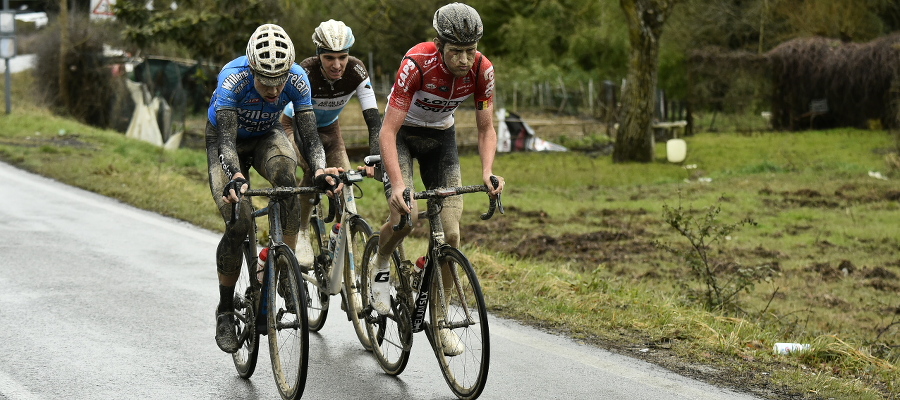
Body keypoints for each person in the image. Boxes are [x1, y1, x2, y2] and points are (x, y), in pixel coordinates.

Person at [368, 3, 505, 355]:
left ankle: (440, 319)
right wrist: (399, 185)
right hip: (402, 137)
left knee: (452, 232)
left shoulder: (482, 70)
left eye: (470, 51)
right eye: (456, 51)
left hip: (441, 140)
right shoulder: (416, 64)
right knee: (407, 218)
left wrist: (487, 171)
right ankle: (380, 262)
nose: (464, 59)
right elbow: (387, 132)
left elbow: (486, 128)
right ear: (440, 44)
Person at [206, 23, 342, 353]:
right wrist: (235, 177)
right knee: (239, 221)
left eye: (278, 80)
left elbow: (310, 136)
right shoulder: (232, 79)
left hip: (268, 135)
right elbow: (225, 142)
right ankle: (225, 309)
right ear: (252, 69)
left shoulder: (297, 78)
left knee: (287, 180)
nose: (273, 88)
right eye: (265, 81)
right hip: (227, 143)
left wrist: (321, 169)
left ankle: (284, 270)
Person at [280, 19, 382, 279]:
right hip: (296, 126)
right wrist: (318, 166)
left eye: (342, 57)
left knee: (345, 180)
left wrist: (374, 157)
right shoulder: (305, 71)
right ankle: (302, 231)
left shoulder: (357, 71)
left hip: (330, 129)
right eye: (329, 58)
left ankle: (340, 233)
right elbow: (308, 133)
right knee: (313, 170)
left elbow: (373, 120)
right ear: (318, 55)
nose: (337, 65)